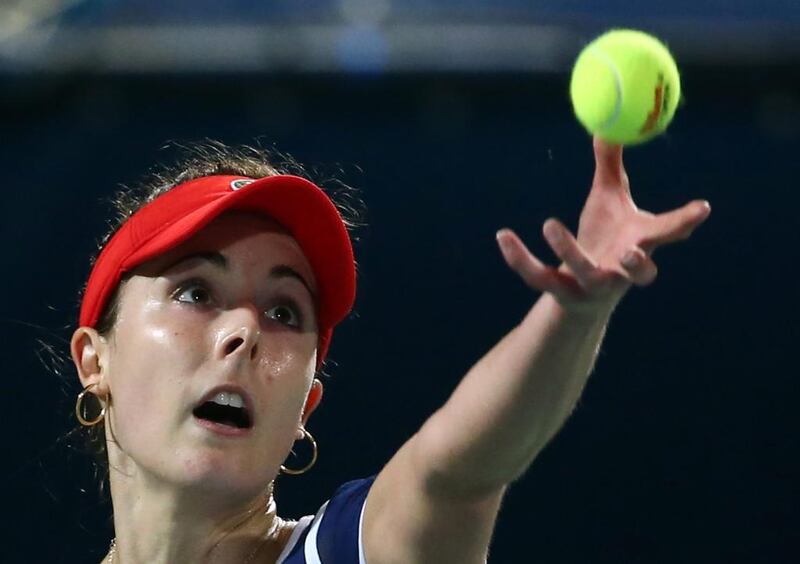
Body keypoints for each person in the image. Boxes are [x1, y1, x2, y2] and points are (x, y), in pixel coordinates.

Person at [70, 137, 710, 563]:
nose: (243, 332)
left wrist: (573, 314)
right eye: (194, 293)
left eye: (284, 310)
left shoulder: (353, 552)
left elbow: (456, 473)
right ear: (96, 360)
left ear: (305, 407)